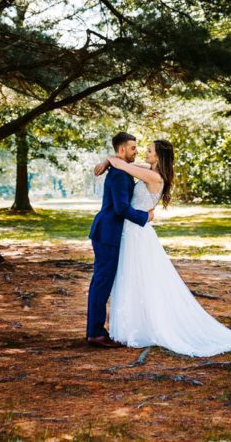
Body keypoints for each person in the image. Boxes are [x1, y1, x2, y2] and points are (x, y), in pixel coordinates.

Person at [96, 139, 231, 357]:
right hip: (132, 232)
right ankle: (134, 325)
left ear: (159, 156)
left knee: (138, 277)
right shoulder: (150, 171)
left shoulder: (154, 177)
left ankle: (143, 327)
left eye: (150, 150)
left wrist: (109, 160)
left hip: (136, 233)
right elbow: (126, 164)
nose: (145, 152)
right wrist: (108, 161)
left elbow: (123, 165)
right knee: (132, 278)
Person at [86, 132, 153, 347]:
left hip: (109, 232)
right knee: (101, 282)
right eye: (133, 148)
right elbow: (121, 208)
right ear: (122, 150)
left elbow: (149, 166)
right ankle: (96, 333)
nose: (137, 152)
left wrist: (108, 160)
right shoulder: (119, 175)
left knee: (101, 281)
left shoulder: (122, 169)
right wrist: (145, 217)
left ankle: (95, 331)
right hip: (108, 233)